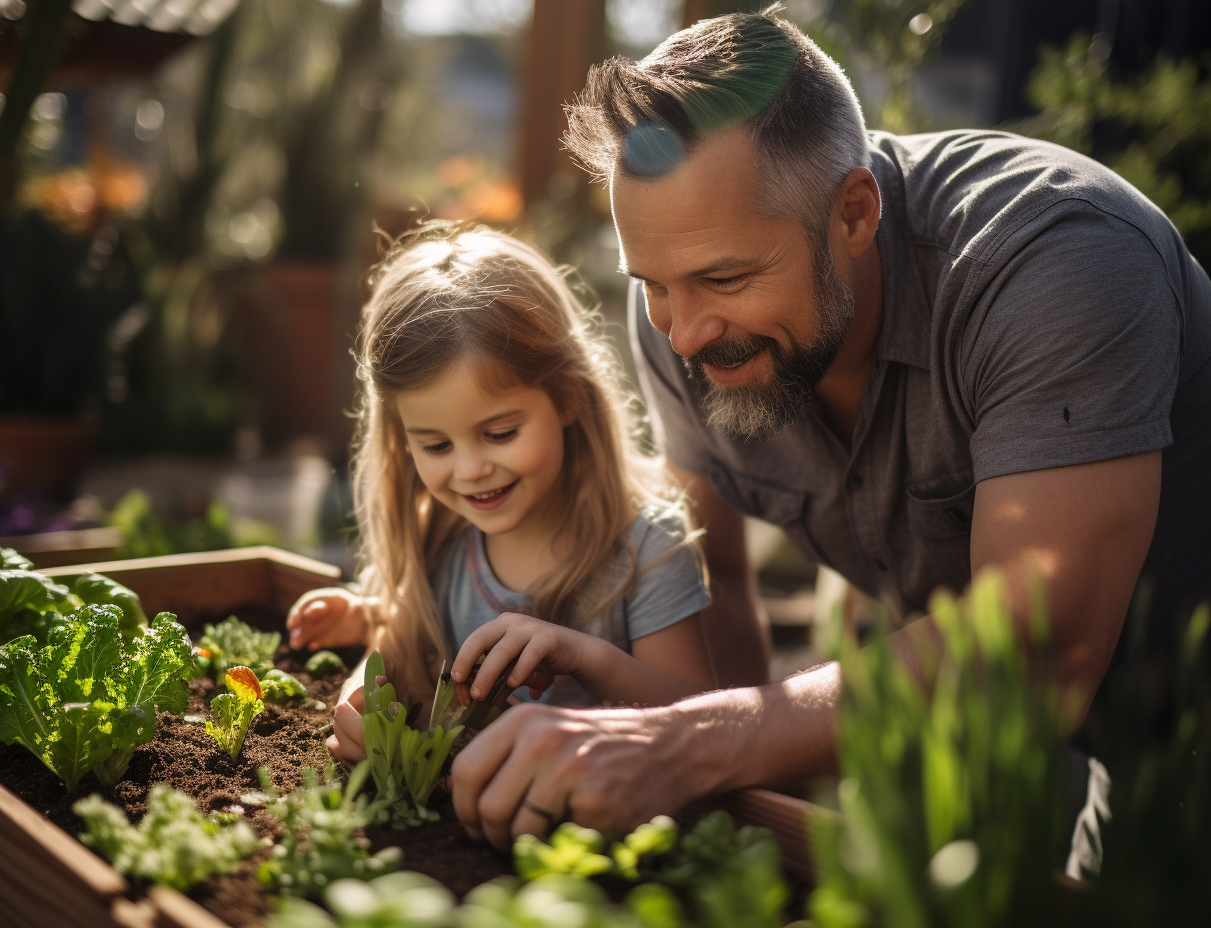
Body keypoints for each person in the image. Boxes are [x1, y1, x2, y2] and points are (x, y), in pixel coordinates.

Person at [449, 6, 1211, 854]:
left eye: (725, 278)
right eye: (652, 282)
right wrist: (717, 816)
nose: (684, 331)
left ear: (853, 213)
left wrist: (684, 743)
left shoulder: (1055, 262)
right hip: (1088, 746)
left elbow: (1037, 659)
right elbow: (718, 584)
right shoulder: (680, 309)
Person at [286, 221, 718, 763]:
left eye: (500, 434)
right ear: (402, 442)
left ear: (567, 398)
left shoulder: (647, 552)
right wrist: (359, 698)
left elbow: (703, 719)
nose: (470, 470)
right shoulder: (438, 541)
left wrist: (586, 657)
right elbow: (389, 656)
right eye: (436, 446)